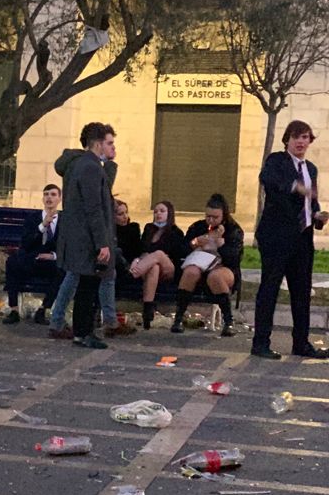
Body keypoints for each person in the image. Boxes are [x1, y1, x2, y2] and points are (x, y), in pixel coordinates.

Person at [251, 120, 329, 359]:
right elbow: (268, 180)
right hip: (276, 235)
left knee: (301, 290)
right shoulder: (277, 161)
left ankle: (301, 343)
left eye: (305, 137)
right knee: (270, 288)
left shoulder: (311, 169)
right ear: (287, 139)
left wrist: (318, 215)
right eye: (297, 137)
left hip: (302, 237)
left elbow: (310, 202)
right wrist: (296, 186)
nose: (301, 142)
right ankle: (260, 342)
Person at [54, 122, 116, 349]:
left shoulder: (77, 165)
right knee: (88, 287)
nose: (111, 147)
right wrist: (102, 242)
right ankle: (83, 331)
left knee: (85, 285)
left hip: (79, 236)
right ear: (98, 143)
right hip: (87, 238)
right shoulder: (90, 167)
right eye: (109, 143)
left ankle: (83, 331)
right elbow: (94, 207)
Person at [172, 193, 242, 336]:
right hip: (199, 264)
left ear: (223, 216)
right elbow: (181, 249)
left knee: (216, 277)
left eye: (215, 217)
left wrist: (220, 246)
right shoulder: (198, 227)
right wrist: (195, 242)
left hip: (223, 267)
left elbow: (234, 258)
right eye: (208, 216)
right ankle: (178, 318)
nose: (210, 220)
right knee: (190, 272)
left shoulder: (233, 230)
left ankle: (228, 321)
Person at [3, 184, 63, 325]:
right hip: (32, 258)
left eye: (53, 194)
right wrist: (42, 226)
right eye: (46, 194)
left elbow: (67, 244)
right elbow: (26, 243)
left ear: (59, 199)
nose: (49, 197)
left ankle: (43, 309)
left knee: (63, 270)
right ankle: (14, 310)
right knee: (12, 262)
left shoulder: (65, 220)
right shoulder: (33, 218)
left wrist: (54, 255)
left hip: (51, 261)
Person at [129, 200, 185, 329]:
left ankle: (134, 272)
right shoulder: (149, 229)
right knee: (154, 267)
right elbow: (142, 250)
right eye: (155, 212)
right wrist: (140, 259)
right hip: (150, 269)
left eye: (162, 211)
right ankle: (148, 309)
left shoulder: (176, 232)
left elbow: (176, 255)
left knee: (159, 254)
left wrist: (150, 258)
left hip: (168, 269)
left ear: (169, 213)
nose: (158, 214)